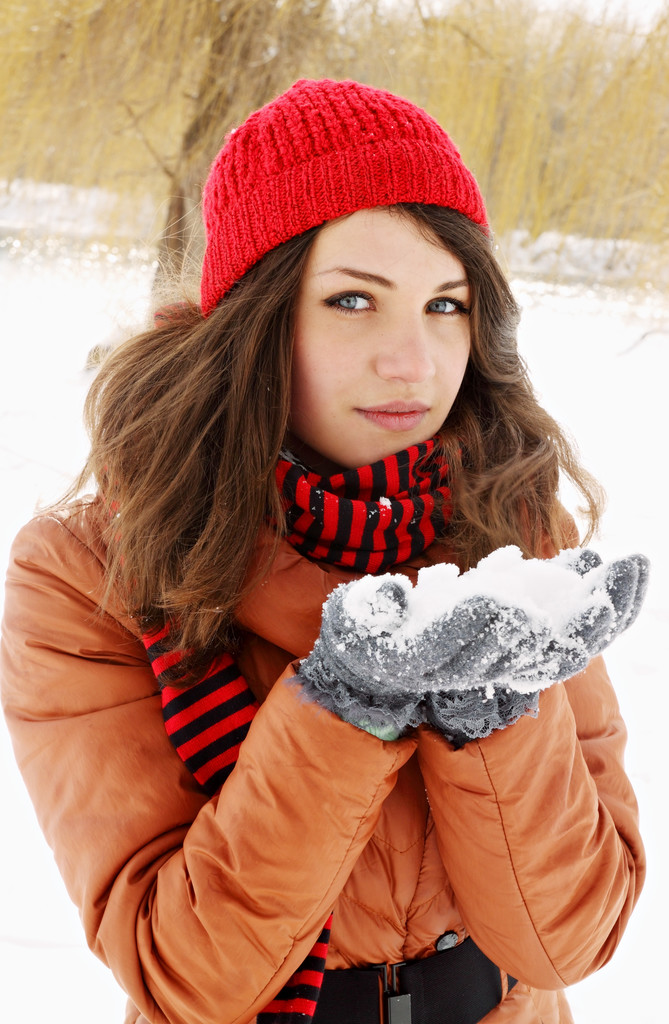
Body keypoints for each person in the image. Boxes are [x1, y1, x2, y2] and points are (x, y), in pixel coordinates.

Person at [0, 79, 648, 1024]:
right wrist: (346, 703)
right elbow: (185, 975)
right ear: (253, 320)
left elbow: (569, 940)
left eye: (446, 304)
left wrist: (490, 709)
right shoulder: (91, 572)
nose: (413, 361)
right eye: (352, 299)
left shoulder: (514, 529)